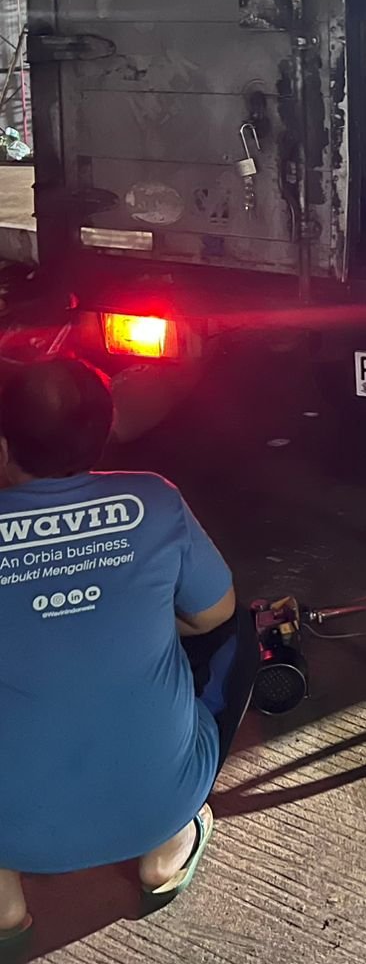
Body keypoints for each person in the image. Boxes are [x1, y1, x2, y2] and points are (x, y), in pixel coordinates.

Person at [0, 358, 259, 944]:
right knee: (239, 633)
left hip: (8, 831)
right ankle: (164, 855)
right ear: (105, 433)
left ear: (3, 446)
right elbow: (216, 615)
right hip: (157, 803)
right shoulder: (153, 499)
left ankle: (5, 911)